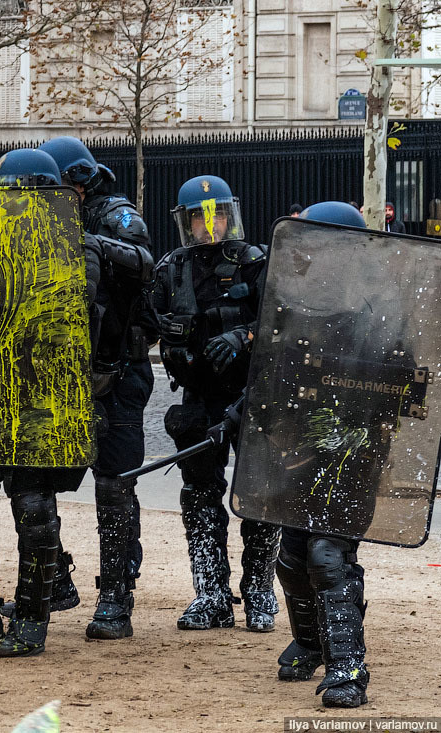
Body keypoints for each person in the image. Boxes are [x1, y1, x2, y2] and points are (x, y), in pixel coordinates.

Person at [0, 149, 101, 657]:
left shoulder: (74, 249)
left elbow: (70, 318)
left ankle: (32, 618)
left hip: (42, 395)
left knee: (33, 506)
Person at [21, 136, 154, 641]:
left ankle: (116, 596)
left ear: (77, 183)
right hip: (64, 369)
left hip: (118, 369)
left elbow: (144, 260)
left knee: (114, 485)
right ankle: (54, 579)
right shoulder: (50, 219)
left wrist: (97, 246)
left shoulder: (115, 215)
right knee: (36, 477)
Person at [152, 175, 281, 632]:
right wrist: (167, 333)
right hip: (199, 397)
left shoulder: (253, 262)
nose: (211, 226)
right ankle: (210, 593)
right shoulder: (171, 268)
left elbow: (278, 324)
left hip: (251, 397)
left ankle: (261, 591)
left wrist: (242, 336)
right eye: (200, 218)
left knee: (257, 498)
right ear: (186, 223)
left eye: (218, 215)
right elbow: (145, 321)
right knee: (200, 497)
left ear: (231, 215)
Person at [272, 201, 378, 708]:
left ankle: (347, 667)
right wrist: (239, 416)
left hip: (354, 459)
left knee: (328, 555)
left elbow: (402, 392)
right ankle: (312, 642)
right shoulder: (295, 313)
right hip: (300, 456)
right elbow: (273, 382)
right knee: (291, 557)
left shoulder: (378, 316)